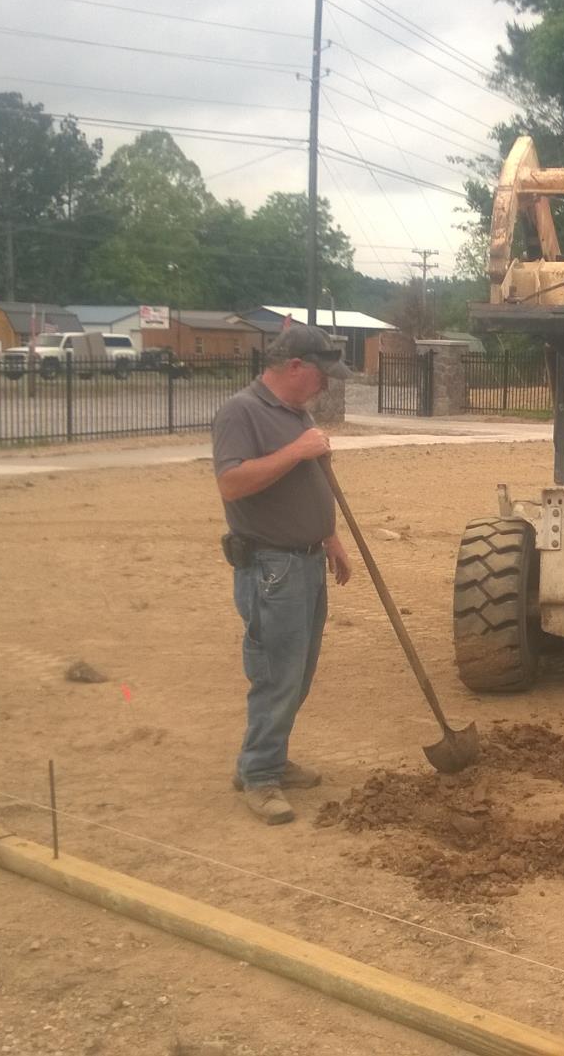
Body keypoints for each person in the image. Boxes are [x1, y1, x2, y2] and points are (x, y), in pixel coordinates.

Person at [211, 327, 355, 826]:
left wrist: (329, 537)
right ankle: (259, 774)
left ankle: (269, 757)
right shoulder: (241, 412)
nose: (324, 386)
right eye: (320, 376)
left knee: (299, 672)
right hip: (272, 567)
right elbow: (231, 484)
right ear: (295, 366)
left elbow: (309, 483)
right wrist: (297, 450)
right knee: (276, 674)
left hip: (306, 559)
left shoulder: (296, 414)